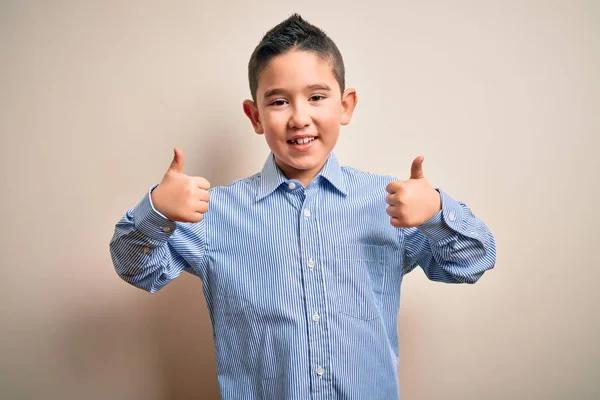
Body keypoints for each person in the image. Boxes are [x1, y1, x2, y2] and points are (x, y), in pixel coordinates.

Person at [109, 13, 496, 400]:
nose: (299, 118)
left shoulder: (391, 203)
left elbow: (473, 262)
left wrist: (436, 213)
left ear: (346, 106)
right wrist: (157, 210)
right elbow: (136, 269)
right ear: (255, 116)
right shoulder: (214, 213)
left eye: (316, 97)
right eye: (279, 101)